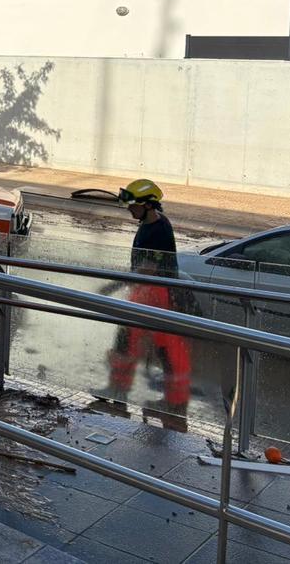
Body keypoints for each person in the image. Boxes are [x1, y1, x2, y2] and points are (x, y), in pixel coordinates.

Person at [104, 178, 192, 430]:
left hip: (157, 294)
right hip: (146, 291)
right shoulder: (149, 223)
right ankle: (118, 389)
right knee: (125, 340)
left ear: (147, 205)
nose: (130, 210)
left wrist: (117, 283)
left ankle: (174, 404)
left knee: (164, 349)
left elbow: (149, 268)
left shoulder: (159, 229)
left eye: (133, 205)